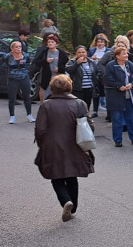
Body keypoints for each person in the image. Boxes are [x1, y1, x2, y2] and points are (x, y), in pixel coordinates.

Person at [34, 74, 94, 222]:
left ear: (53, 88)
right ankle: (72, 209)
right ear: (69, 87)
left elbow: (40, 129)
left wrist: (42, 145)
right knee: (72, 177)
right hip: (75, 145)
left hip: (52, 146)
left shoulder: (46, 105)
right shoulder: (80, 103)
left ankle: (65, 201)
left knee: (56, 177)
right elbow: (89, 126)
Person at [103, 47, 133, 147]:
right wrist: (118, 86)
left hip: (129, 96)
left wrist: (132, 83)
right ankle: (118, 140)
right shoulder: (111, 65)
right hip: (116, 96)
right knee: (117, 119)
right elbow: (107, 79)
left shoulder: (130, 64)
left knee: (131, 119)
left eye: (126, 53)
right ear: (117, 56)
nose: (126, 55)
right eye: (124, 54)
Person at [0, 41, 34, 124]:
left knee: (27, 97)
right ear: (12, 48)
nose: (18, 48)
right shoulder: (7, 56)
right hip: (12, 78)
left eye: (20, 47)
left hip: (24, 77)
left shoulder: (25, 55)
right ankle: (12, 116)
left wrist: (27, 70)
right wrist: (7, 68)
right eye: (16, 47)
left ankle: (29, 115)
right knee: (12, 98)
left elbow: (29, 63)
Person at [32, 34, 67, 103]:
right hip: (47, 76)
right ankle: (43, 105)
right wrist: (46, 61)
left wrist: (59, 69)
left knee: (58, 92)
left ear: (56, 44)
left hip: (58, 76)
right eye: (49, 42)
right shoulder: (44, 52)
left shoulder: (62, 53)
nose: (50, 43)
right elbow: (37, 62)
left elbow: (66, 65)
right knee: (44, 90)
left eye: (52, 42)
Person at [65, 46, 98, 119]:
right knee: (78, 108)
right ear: (76, 53)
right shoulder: (72, 61)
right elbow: (68, 70)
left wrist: (95, 82)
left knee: (86, 107)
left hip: (89, 88)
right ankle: (77, 122)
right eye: (79, 52)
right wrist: (77, 63)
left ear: (86, 53)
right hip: (77, 89)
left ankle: (85, 122)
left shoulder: (91, 62)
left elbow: (96, 73)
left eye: (83, 52)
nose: (81, 54)